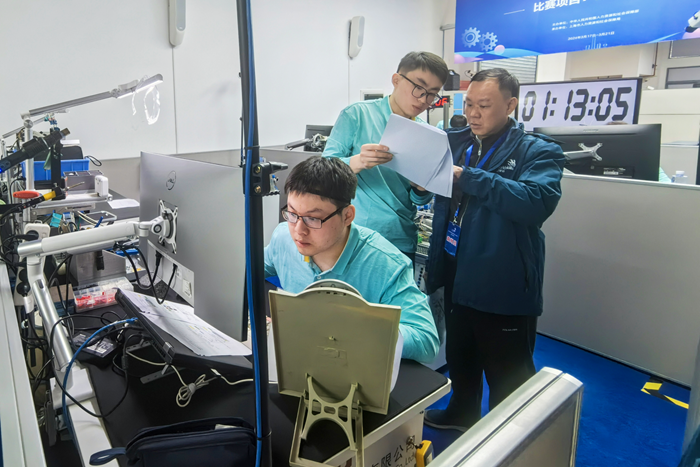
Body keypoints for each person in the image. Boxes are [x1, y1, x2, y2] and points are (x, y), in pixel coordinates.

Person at [424, 68, 566, 431]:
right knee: (461, 353)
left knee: (509, 373)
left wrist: (469, 177)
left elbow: (535, 202)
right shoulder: (456, 142)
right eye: (468, 104)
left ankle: (511, 438)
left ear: (511, 105)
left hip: (502, 278)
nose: (473, 114)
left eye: (484, 105)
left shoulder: (538, 151)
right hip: (456, 268)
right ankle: (462, 412)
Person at [264, 156, 439, 363]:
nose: (299, 231)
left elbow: (426, 340)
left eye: (313, 218)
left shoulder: (386, 264)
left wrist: (352, 329)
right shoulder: (283, 238)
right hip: (298, 360)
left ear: (347, 216)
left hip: (352, 366)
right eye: (292, 214)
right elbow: (248, 271)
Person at [323, 51, 449, 262]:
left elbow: (419, 199)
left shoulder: (427, 134)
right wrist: (357, 162)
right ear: (396, 80)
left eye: (431, 94)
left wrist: (421, 188)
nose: (423, 99)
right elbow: (322, 171)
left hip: (400, 238)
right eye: (418, 88)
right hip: (355, 236)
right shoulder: (357, 115)